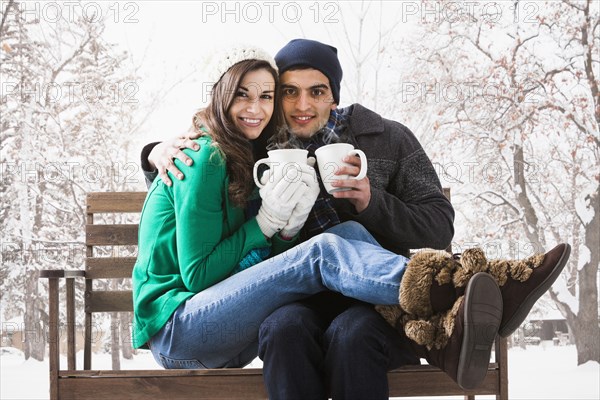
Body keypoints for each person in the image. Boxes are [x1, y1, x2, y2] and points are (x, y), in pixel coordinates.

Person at [140, 39, 570, 398]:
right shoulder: (257, 144)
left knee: (349, 241)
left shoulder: (387, 138)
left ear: (335, 94)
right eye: (287, 91)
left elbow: (439, 225)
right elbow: (195, 185)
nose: (301, 103)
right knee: (294, 310)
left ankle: (449, 305)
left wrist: (372, 203)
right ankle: (475, 287)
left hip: (369, 300)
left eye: (317, 90)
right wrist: (155, 152)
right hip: (270, 305)